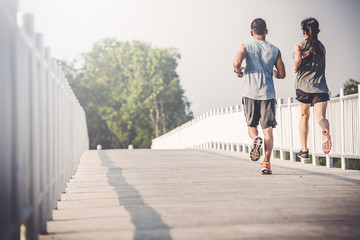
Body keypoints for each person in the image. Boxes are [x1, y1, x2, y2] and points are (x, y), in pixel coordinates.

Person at [233, 18, 286, 174]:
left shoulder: (246, 46)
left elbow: (236, 62)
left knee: (251, 126)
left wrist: (238, 72)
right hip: (268, 94)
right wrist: (272, 72)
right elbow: (282, 74)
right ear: (266, 31)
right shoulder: (275, 50)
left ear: (251, 32)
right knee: (268, 130)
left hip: (250, 93)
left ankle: (255, 139)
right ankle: (266, 163)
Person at [293, 17, 332, 162]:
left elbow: (297, 59)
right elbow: (323, 69)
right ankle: (325, 131)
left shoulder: (300, 46)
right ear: (317, 31)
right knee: (321, 117)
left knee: (304, 116)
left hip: (304, 87)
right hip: (320, 87)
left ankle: (304, 150)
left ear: (304, 32)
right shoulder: (322, 48)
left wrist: (295, 68)